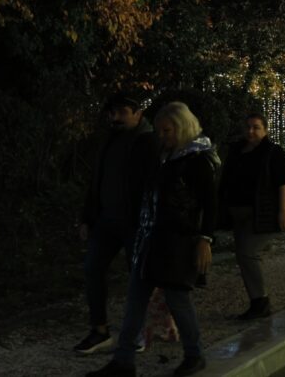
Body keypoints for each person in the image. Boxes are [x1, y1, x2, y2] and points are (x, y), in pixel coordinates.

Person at [87, 102, 217, 377]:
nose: (162, 135)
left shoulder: (196, 161)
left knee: (178, 300)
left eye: (167, 130)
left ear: (182, 128)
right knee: (135, 299)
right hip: (151, 238)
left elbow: (211, 203)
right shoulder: (164, 157)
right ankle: (124, 361)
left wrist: (205, 239)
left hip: (176, 242)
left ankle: (194, 354)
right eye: (160, 131)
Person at [74, 91, 159, 355]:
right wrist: (87, 217)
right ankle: (100, 330)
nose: (116, 117)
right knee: (92, 269)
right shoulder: (109, 141)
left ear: (138, 114)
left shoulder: (148, 142)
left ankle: (136, 331)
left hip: (135, 223)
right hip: (106, 219)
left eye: (123, 112)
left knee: (138, 277)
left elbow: (155, 185)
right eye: (113, 112)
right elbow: (97, 181)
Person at [217, 112, 285, 321]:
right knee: (243, 254)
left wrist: (283, 210)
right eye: (248, 127)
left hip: (260, 212)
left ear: (265, 130)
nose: (251, 131)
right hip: (237, 211)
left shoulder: (273, 152)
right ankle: (257, 300)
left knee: (247, 253)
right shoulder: (237, 150)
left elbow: (283, 183)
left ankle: (260, 300)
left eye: (256, 127)